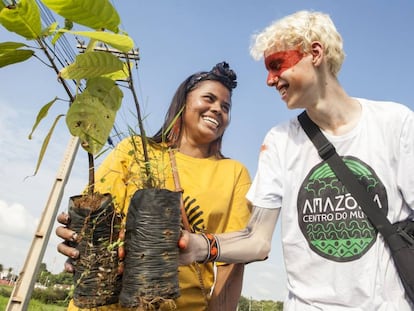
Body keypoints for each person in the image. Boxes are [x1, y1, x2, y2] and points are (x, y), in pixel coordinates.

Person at [179, 10, 414, 310]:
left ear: (315, 53)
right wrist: (199, 246)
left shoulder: (396, 124)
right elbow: (257, 239)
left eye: (276, 64)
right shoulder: (279, 142)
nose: (269, 80)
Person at [56, 61, 252, 311]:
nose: (217, 110)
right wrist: (76, 238)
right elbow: (95, 223)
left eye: (225, 107)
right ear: (183, 102)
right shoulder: (135, 150)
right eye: (209, 99)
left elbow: (232, 262)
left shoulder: (234, 174)